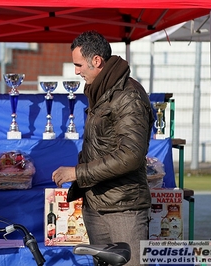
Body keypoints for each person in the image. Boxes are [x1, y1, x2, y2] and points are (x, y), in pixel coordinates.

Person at [52, 31, 154, 265]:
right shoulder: (101, 92)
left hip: (124, 210)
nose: (76, 71)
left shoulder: (128, 95)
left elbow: (131, 155)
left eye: (78, 65)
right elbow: (100, 146)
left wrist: (78, 173)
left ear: (96, 61)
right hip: (97, 206)